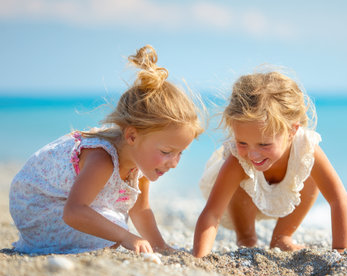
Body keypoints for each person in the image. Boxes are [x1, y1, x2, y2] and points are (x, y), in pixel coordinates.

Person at [9, 45, 203, 255]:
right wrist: (126, 236)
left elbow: (140, 209)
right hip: (39, 207)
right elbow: (73, 212)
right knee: (116, 229)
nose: (173, 163)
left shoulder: (140, 161)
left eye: (180, 153)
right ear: (131, 136)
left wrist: (161, 247)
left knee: (117, 224)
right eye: (166, 151)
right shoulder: (102, 159)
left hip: (66, 204)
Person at [193, 70, 347, 257]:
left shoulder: (306, 148)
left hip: (287, 192)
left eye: (264, 144)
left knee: (310, 173)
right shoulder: (238, 158)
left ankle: (282, 236)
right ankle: (246, 237)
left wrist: (341, 251)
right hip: (244, 197)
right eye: (242, 142)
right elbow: (212, 213)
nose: (252, 154)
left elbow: (337, 198)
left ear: (292, 131)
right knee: (241, 173)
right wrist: (199, 259)